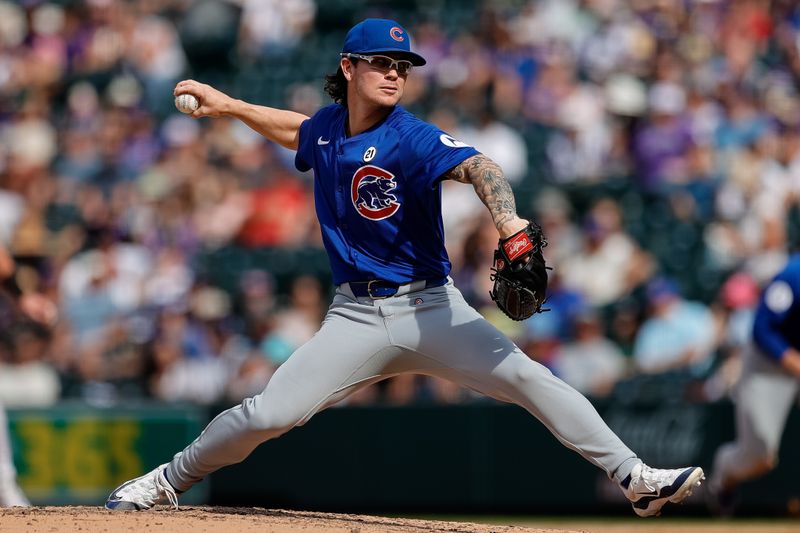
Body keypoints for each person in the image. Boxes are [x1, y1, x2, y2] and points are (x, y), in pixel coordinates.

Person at [105, 18, 703, 517]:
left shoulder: (410, 138)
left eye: (402, 65)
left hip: (431, 307)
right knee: (269, 413)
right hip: (355, 316)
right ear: (349, 68)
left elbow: (480, 167)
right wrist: (231, 105)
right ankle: (165, 481)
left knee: (529, 379)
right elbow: (299, 131)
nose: (395, 73)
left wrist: (509, 221)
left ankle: (634, 477)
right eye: (382, 62)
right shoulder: (329, 132)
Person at [709, 254, 800, 515]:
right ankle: (725, 473)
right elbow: (762, 329)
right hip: (768, 363)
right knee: (758, 456)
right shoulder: (793, 275)